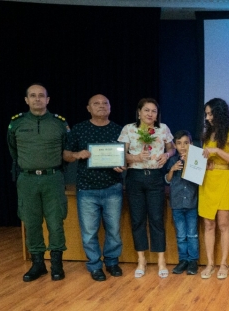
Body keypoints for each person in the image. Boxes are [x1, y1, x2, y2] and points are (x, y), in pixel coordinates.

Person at [7, 83, 69, 282]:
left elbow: (66, 151)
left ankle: (57, 265)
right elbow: (13, 151)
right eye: (32, 96)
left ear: (48, 99)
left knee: (55, 222)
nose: (37, 99)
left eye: (41, 96)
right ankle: (38, 264)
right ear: (26, 100)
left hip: (53, 178)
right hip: (27, 180)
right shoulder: (16, 123)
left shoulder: (59, 123)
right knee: (31, 222)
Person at [63, 94, 125, 282]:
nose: (101, 106)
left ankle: (112, 262)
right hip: (87, 189)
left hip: (113, 187)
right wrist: (77, 154)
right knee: (89, 232)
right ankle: (95, 265)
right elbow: (65, 155)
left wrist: (123, 165)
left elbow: (126, 157)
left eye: (105, 103)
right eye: (96, 103)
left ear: (110, 107)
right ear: (88, 108)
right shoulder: (79, 129)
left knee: (113, 230)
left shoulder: (118, 130)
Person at [118, 98, 176, 279]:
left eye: (154, 111)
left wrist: (167, 155)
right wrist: (135, 157)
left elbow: (172, 148)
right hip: (135, 178)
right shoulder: (129, 129)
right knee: (137, 219)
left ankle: (161, 261)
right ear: (139, 112)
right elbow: (120, 155)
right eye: (147, 110)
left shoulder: (163, 129)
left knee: (157, 219)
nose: (150, 114)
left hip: (155, 178)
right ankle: (141, 260)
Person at [198, 98, 229, 280]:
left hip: (224, 180)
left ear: (219, 113)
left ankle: (223, 263)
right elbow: (204, 156)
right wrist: (204, 162)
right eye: (206, 114)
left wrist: (217, 152)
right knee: (208, 224)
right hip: (207, 181)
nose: (208, 118)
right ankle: (210, 263)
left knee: (223, 224)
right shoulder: (207, 134)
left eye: (210, 113)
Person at [165, 130, 199, 276]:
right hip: (177, 204)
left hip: (191, 204)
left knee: (192, 234)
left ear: (191, 144)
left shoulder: (196, 160)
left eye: (186, 143)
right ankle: (183, 260)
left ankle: (193, 261)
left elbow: (198, 180)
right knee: (181, 235)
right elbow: (167, 179)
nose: (183, 146)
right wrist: (172, 170)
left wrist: (189, 164)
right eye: (179, 143)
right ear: (175, 145)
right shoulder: (172, 160)